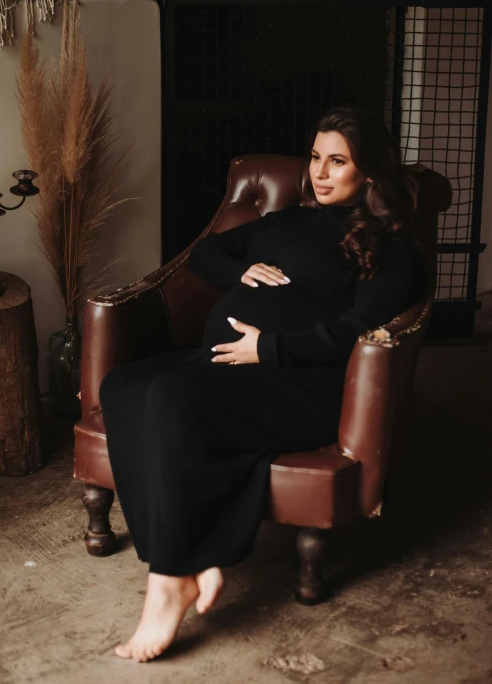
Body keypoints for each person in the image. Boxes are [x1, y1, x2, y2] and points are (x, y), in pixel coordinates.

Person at [98, 104, 428, 663]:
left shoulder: (390, 248)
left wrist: (267, 347)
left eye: (338, 161)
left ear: (368, 171)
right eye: (316, 158)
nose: (320, 173)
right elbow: (208, 250)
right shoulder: (287, 221)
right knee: (124, 385)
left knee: (175, 399)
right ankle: (192, 557)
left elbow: (353, 333)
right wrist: (239, 273)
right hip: (228, 365)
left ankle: (169, 578)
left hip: (305, 384)